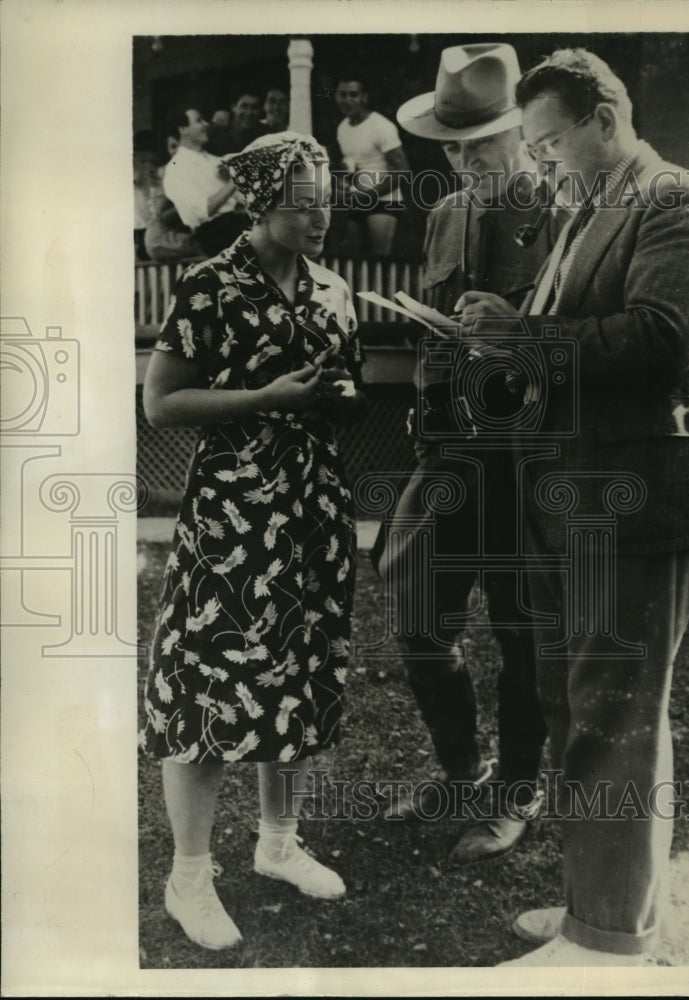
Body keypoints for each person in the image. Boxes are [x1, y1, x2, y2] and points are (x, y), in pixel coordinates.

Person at [455, 48, 689, 965]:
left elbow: (658, 338)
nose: (540, 163)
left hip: (637, 497)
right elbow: (572, 332)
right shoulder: (589, 208)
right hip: (574, 492)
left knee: (613, 712)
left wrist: (520, 335)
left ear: (602, 121)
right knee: (576, 705)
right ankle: (599, 909)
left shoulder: (675, 198)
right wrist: (504, 321)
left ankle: (608, 944)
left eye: (549, 141)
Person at [140, 131, 368, 951]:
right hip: (235, 509)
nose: (321, 215)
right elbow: (162, 404)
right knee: (208, 682)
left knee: (297, 676)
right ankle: (189, 877)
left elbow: (340, 384)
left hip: (311, 508)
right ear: (265, 201)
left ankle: (277, 843)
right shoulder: (209, 284)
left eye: (327, 201)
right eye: (304, 202)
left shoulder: (335, 290)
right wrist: (261, 397)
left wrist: (334, 395)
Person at [374, 43, 556, 863]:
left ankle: (517, 788)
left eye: (480, 142)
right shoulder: (445, 212)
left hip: (526, 455)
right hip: (447, 448)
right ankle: (459, 769)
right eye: (453, 145)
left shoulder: (562, 212)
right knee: (420, 618)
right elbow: (434, 327)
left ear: (519, 131)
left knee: (523, 631)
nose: (466, 158)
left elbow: (581, 341)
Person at [334, 74, 410, 255]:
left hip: (384, 201)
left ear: (364, 97)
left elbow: (403, 171)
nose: (347, 100)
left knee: (380, 262)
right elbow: (354, 166)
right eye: (342, 95)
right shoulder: (342, 127)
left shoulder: (381, 126)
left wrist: (369, 196)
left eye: (353, 95)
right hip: (356, 199)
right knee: (350, 257)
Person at [162, 106, 249, 256]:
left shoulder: (216, 161)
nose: (206, 124)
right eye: (199, 121)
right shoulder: (175, 169)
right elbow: (204, 210)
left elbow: (245, 198)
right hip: (216, 233)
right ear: (183, 129)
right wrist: (235, 179)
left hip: (241, 222)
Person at [208, 90, 269, 155]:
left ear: (260, 110)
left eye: (254, 107)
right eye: (244, 106)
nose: (249, 113)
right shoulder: (218, 134)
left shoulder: (267, 135)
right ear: (233, 107)